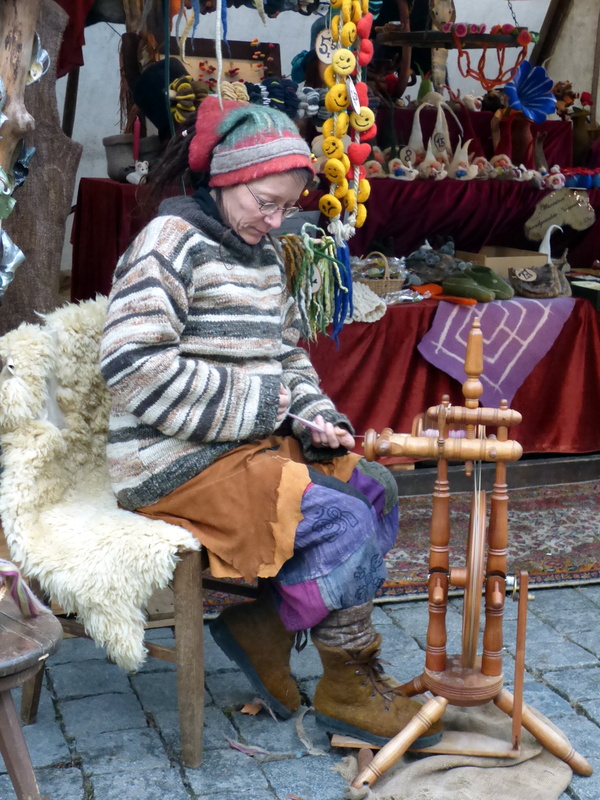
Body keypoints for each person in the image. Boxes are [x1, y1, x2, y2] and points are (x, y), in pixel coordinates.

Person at [99, 96, 442, 748]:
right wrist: (267, 406)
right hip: (169, 463)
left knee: (374, 487)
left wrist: (314, 415)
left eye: (287, 206)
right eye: (266, 201)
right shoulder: (169, 245)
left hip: (239, 446)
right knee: (338, 518)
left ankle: (267, 630)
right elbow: (132, 366)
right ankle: (346, 689)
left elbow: (287, 357)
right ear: (227, 176)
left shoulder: (261, 255)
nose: (276, 218)